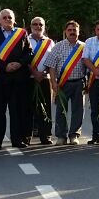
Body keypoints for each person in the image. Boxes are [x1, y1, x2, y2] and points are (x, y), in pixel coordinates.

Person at [0, 9, 33, 149]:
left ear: (14, 19)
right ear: (0, 20)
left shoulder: (22, 33)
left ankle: (17, 140)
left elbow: (29, 52)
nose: (7, 19)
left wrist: (20, 63)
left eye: (10, 17)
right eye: (4, 17)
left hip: (18, 78)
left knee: (17, 111)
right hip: (0, 78)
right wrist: (5, 66)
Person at [45, 21, 88, 145]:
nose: (72, 32)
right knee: (61, 110)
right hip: (62, 83)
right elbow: (51, 66)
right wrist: (53, 83)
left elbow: (89, 65)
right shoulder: (58, 46)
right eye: (70, 30)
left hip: (79, 82)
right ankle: (61, 136)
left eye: (74, 30)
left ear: (78, 32)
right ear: (65, 32)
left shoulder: (84, 47)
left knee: (78, 110)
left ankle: (74, 135)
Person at [27, 17, 55, 146]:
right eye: (35, 24)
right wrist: (34, 72)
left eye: (40, 24)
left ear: (44, 27)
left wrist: (44, 72)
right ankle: (27, 136)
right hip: (29, 79)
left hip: (44, 79)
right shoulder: (25, 40)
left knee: (45, 107)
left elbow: (53, 60)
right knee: (28, 108)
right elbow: (24, 59)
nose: (38, 26)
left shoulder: (49, 42)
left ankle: (46, 135)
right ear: (31, 26)